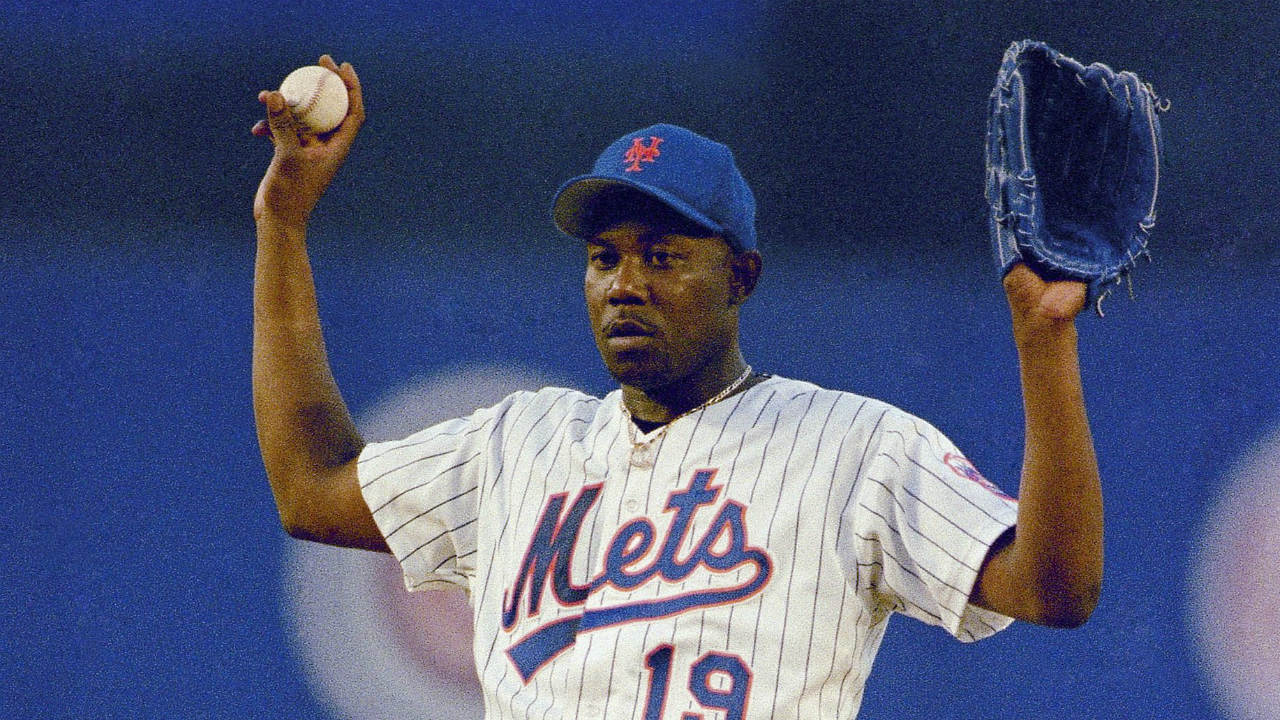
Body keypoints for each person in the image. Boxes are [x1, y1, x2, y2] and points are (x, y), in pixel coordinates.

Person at [252, 56, 1103, 719]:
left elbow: (1053, 589)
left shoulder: (857, 449)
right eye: (605, 257)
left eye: (662, 256)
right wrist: (283, 223)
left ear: (741, 277)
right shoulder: (518, 447)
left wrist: (1044, 342)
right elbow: (310, 488)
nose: (625, 282)